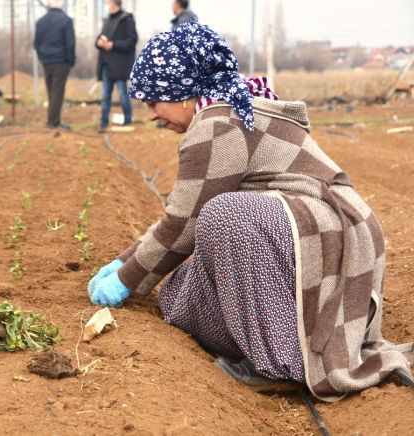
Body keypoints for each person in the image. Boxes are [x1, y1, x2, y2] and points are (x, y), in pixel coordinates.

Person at [87, 22, 414, 401]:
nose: (149, 115)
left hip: (328, 233)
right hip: (299, 232)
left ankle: (280, 364)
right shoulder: (226, 111)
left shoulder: (217, 123)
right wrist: (123, 262)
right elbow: (180, 219)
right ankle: (279, 334)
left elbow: (183, 226)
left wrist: (125, 279)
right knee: (179, 295)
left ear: (181, 93)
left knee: (225, 217)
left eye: (152, 102)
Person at [95, 0, 137, 133]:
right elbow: (99, 39)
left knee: (122, 94)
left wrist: (113, 45)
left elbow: (132, 41)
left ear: (115, 3)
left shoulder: (126, 19)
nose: (106, 4)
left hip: (119, 65)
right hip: (106, 63)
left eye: (108, 2)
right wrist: (99, 43)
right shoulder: (107, 20)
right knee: (105, 95)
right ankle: (103, 123)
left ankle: (128, 120)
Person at [34, 0, 75, 130]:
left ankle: (51, 120)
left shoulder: (40, 22)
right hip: (60, 61)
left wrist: (42, 58)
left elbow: (36, 44)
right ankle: (54, 122)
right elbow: (70, 43)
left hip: (46, 62)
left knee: (51, 90)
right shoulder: (66, 20)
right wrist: (70, 61)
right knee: (57, 91)